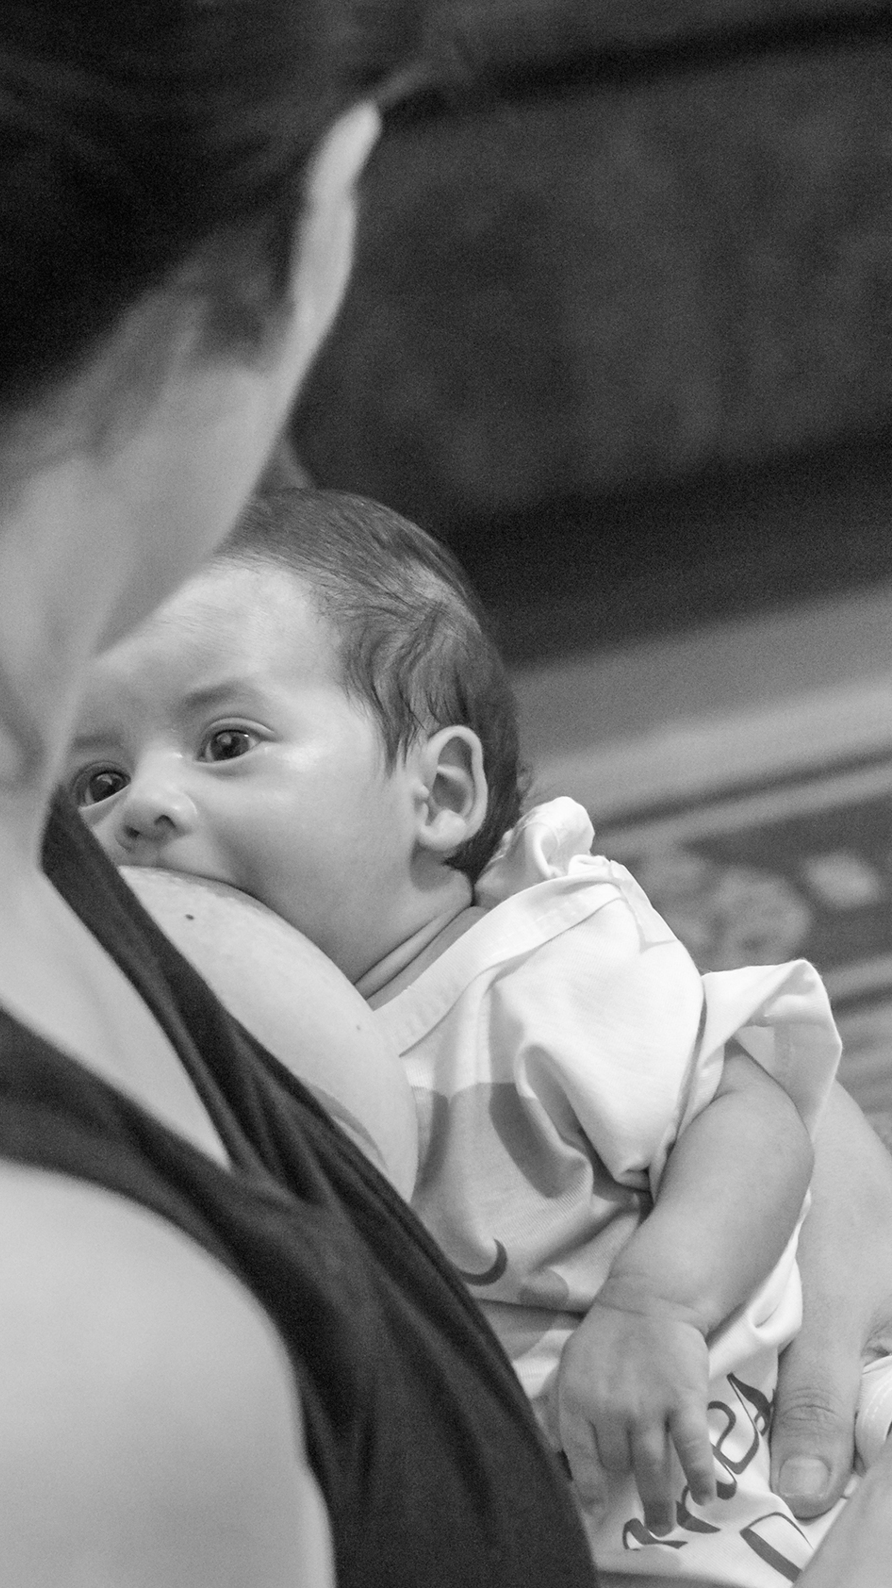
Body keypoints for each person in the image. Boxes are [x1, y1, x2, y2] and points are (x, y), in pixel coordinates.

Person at [0, 0, 890, 1585]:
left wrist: (773, 1153)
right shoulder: (49, 1361)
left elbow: (581, 996)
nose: (160, 795)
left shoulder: (5, 717)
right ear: (328, 185)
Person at [71, 487, 892, 1583]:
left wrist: (658, 1300)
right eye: (98, 779)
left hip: (768, 1437)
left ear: (442, 791)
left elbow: (753, 1113)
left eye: (226, 742)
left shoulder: (538, 969)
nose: (141, 807)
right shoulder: (177, 1064)